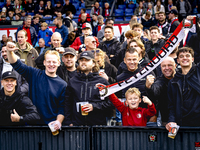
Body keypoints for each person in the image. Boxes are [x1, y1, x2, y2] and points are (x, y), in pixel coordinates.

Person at [6, 42, 67, 127]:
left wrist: (58, 121)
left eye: (54, 62)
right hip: (32, 124)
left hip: (51, 126)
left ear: (59, 63)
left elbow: (62, 108)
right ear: (44, 62)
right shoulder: (34, 74)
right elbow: (17, 65)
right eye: (49, 62)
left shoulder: (63, 85)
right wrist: (9, 52)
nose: (51, 64)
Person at [64, 51, 113, 126]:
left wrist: (94, 106)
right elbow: (67, 103)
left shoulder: (102, 81)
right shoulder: (73, 81)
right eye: (81, 60)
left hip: (97, 126)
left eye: (87, 60)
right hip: (77, 125)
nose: (83, 62)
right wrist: (68, 122)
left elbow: (110, 102)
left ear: (93, 63)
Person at [166, 47, 200, 129]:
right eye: (181, 56)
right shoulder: (173, 82)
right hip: (181, 125)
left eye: (187, 56)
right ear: (177, 61)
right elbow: (171, 106)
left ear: (192, 59)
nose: (184, 58)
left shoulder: (198, 73)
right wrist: (171, 121)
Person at [145, 57, 176, 126]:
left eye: (169, 65)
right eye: (164, 66)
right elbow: (155, 91)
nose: (167, 68)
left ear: (175, 66)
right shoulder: (160, 81)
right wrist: (148, 87)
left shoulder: (181, 77)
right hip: (167, 120)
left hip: (185, 118)